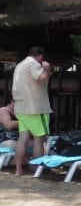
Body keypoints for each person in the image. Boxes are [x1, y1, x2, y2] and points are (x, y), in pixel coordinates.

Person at [12, 46, 53, 176]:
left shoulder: (20, 65)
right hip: (35, 108)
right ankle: (37, 169)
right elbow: (41, 78)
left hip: (21, 107)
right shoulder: (33, 64)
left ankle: (18, 169)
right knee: (38, 139)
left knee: (22, 139)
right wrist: (46, 67)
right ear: (40, 57)